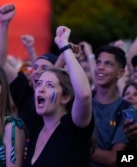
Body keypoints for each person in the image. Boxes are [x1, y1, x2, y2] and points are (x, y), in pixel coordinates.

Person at [22, 26, 94, 167]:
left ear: (65, 98)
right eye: (40, 84)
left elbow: (84, 94)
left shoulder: (73, 127)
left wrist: (64, 46)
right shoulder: (36, 133)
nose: (40, 89)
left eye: (49, 85)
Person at [0, 3, 62, 139]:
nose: (37, 72)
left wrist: (66, 53)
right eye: (35, 68)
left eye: (45, 68)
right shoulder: (25, 92)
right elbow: (0, 63)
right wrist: (4, 24)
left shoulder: (66, 101)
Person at [91, 45, 131, 167]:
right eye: (98, 63)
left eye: (108, 64)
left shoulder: (127, 110)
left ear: (120, 73)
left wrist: (79, 148)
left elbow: (115, 159)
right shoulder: (83, 101)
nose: (100, 68)